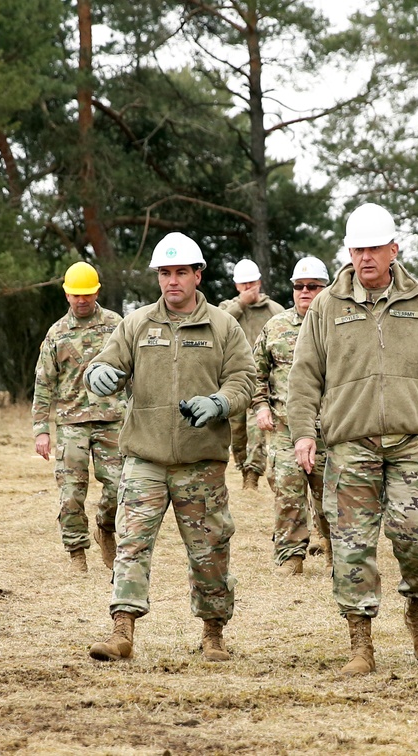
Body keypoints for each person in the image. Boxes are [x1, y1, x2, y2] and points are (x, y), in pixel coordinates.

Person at [287, 202, 418, 676]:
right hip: (350, 444)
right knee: (350, 546)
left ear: (393, 249)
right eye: (357, 249)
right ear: (349, 251)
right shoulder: (325, 305)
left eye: (374, 249)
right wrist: (303, 432)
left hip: (410, 442)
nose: (365, 258)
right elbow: (304, 376)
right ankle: (359, 642)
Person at [83, 232, 255, 663]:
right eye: (165, 273)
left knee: (210, 552)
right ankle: (122, 631)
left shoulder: (223, 325)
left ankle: (213, 634)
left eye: (181, 272)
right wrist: (98, 374)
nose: (172, 281)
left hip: (201, 464)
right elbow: (105, 362)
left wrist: (219, 403)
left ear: (198, 275)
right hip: (145, 458)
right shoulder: (137, 324)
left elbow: (244, 381)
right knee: (132, 544)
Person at [31, 262, 124, 574]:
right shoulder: (56, 334)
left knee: (118, 488)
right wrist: (41, 430)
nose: (81, 300)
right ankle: (76, 553)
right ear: (66, 295)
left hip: (113, 419)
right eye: (75, 295)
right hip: (72, 423)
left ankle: (106, 529)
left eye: (87, 294)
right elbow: (44, 383)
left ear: (97, 291)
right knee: (71, 492)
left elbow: (135, 370)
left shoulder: (116, 325)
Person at [252, 256, 332, 578]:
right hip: (285, 426)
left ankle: (333, 551)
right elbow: (254, 373)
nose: (305, 292)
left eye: (312, 286)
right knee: (288, 490)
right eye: (299, 286)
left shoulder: (338, 326)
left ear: (325, 289)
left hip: (329, 428)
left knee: (329, 493)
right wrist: (260, 406)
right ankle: (291, 556)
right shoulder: (275, 326)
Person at [219, 259, 284, 489]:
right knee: (236, 430)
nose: (249, 288)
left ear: (259, 282)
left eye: (252, 283)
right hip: (233, 378)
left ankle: (252, 475)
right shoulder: (227, 309)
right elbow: (218, 325)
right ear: (237, 286)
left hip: (262, 380)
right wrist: (241, 304)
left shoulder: (273, 310)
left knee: (255, 427)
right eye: (243, 284)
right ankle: (241, 464)